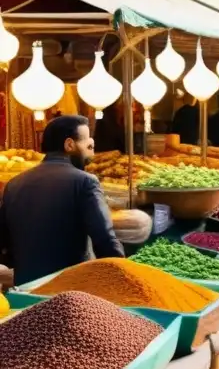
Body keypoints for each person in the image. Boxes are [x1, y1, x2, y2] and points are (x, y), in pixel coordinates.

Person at [0, 115, 125, 285]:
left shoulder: (14, 183)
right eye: (87, 145)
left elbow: (4, 240)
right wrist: (123, 277)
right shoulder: (85, 181)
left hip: (25, 287)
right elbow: (104, 238)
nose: (91, 153)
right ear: (69, 145)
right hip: (69, 288)